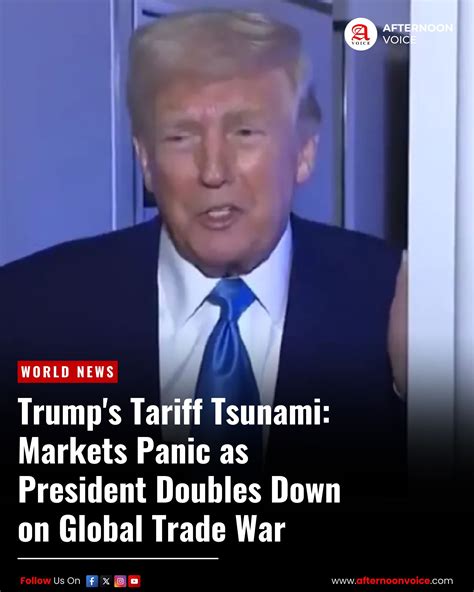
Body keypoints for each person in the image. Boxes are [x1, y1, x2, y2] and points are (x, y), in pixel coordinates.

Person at [0, 10, 407, 491]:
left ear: (304, 153)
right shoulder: (27, 307)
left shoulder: (394, 302)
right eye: (181, 136)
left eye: (244, 132)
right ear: (145, 161)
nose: (213, 171)